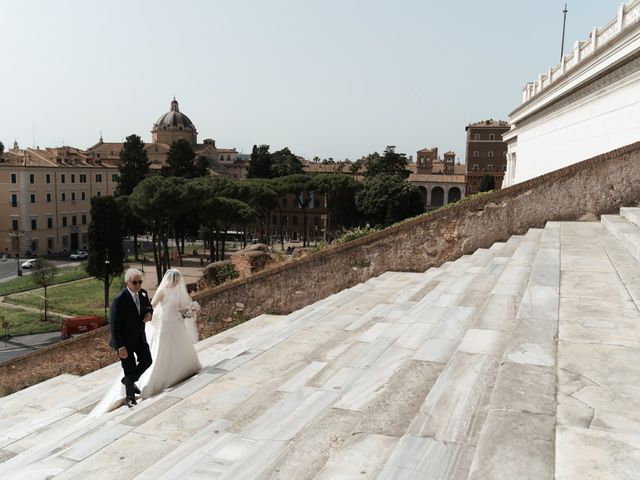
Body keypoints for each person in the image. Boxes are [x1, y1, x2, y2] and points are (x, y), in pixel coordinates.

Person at [137, 268, 201, 398]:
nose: (178, 283)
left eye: (178, 281)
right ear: (171, 279)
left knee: (179, 346)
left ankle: (183, 370)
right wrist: (147, 315)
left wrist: (191, 309)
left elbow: (181, 307)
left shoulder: (177, 292)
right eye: (176, 280)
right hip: (164, 323)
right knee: (164, 348)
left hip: (176, 322)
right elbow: (152, 305)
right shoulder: (162, 291)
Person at [109, 268, 153, 407]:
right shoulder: (119, 300)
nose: (138, 285)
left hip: (140, 338)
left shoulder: (144, 294)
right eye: (135, 282)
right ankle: (130, 399)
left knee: (147, 360)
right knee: (129, 368)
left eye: (140, 282)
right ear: (127, 283)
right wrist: (120, 346)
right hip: (125, 342)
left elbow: (149, 308)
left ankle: (128, 380)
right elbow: (114, 326)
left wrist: (149, 314)